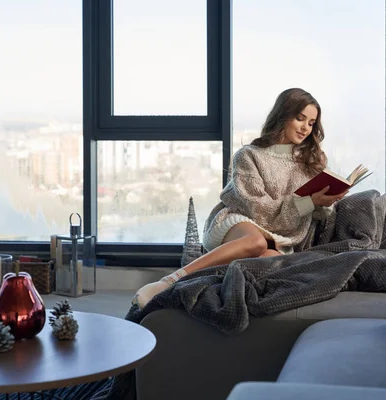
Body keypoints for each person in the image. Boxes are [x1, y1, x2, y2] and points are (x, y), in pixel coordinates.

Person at [132, 88, 348, 309]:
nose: (305, 128)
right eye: (300, 118)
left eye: (311, 123)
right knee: (256, 242)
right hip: (241, 221)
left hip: (281, 236)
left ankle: (199, 287)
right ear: (283, 115)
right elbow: (257, 207)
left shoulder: (312, 161)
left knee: (269, 261)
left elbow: (317, 215)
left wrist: (326, 202)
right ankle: (167, 282)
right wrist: (309, 202)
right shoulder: (249, 155)